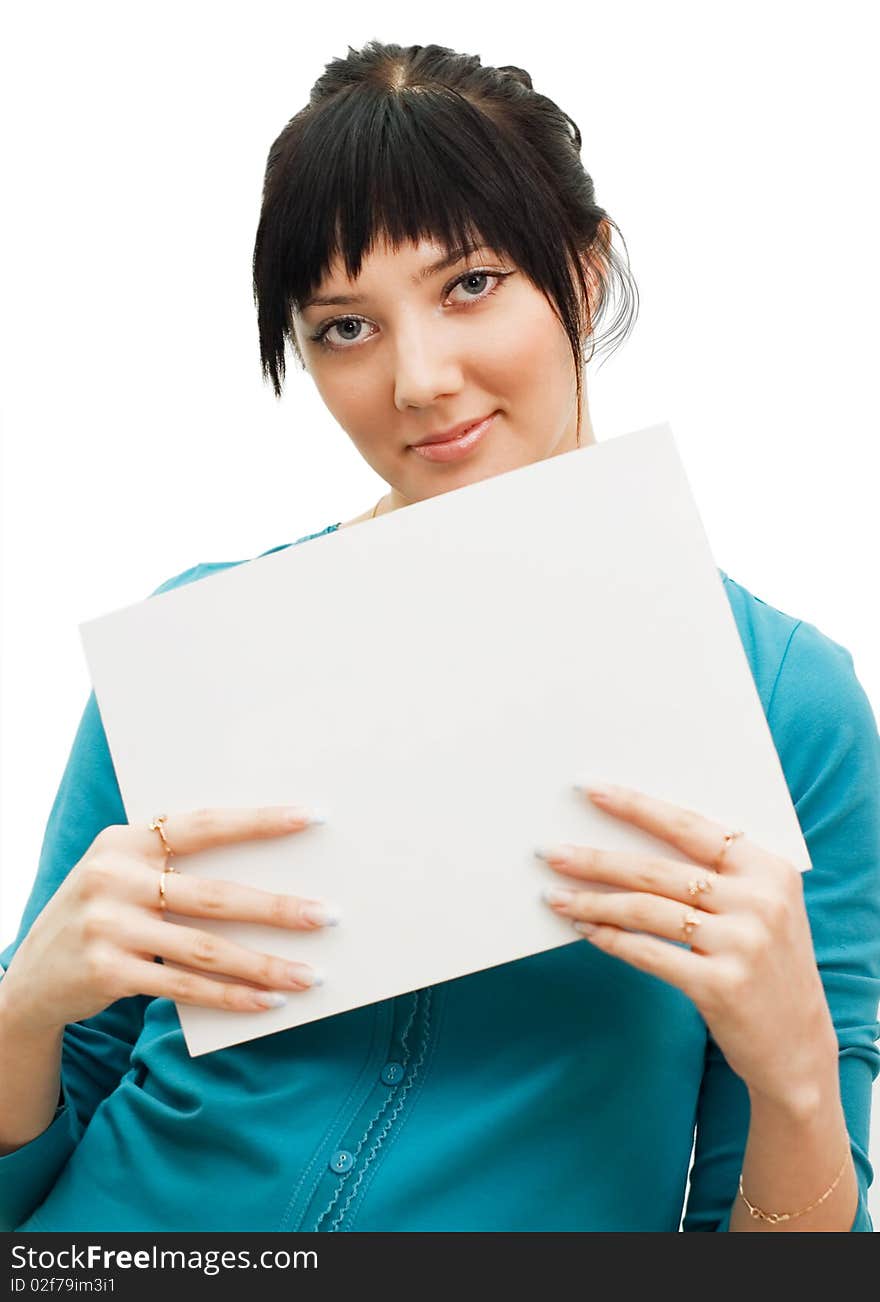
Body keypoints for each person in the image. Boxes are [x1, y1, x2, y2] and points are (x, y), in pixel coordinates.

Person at [1, 39, 878, 1234]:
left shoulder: (785, 701)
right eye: (344, 327)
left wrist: (792, 1075)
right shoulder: (201, 649)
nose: (418, 378)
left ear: (582, 266)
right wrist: (21, 1015)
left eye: (469, 284)